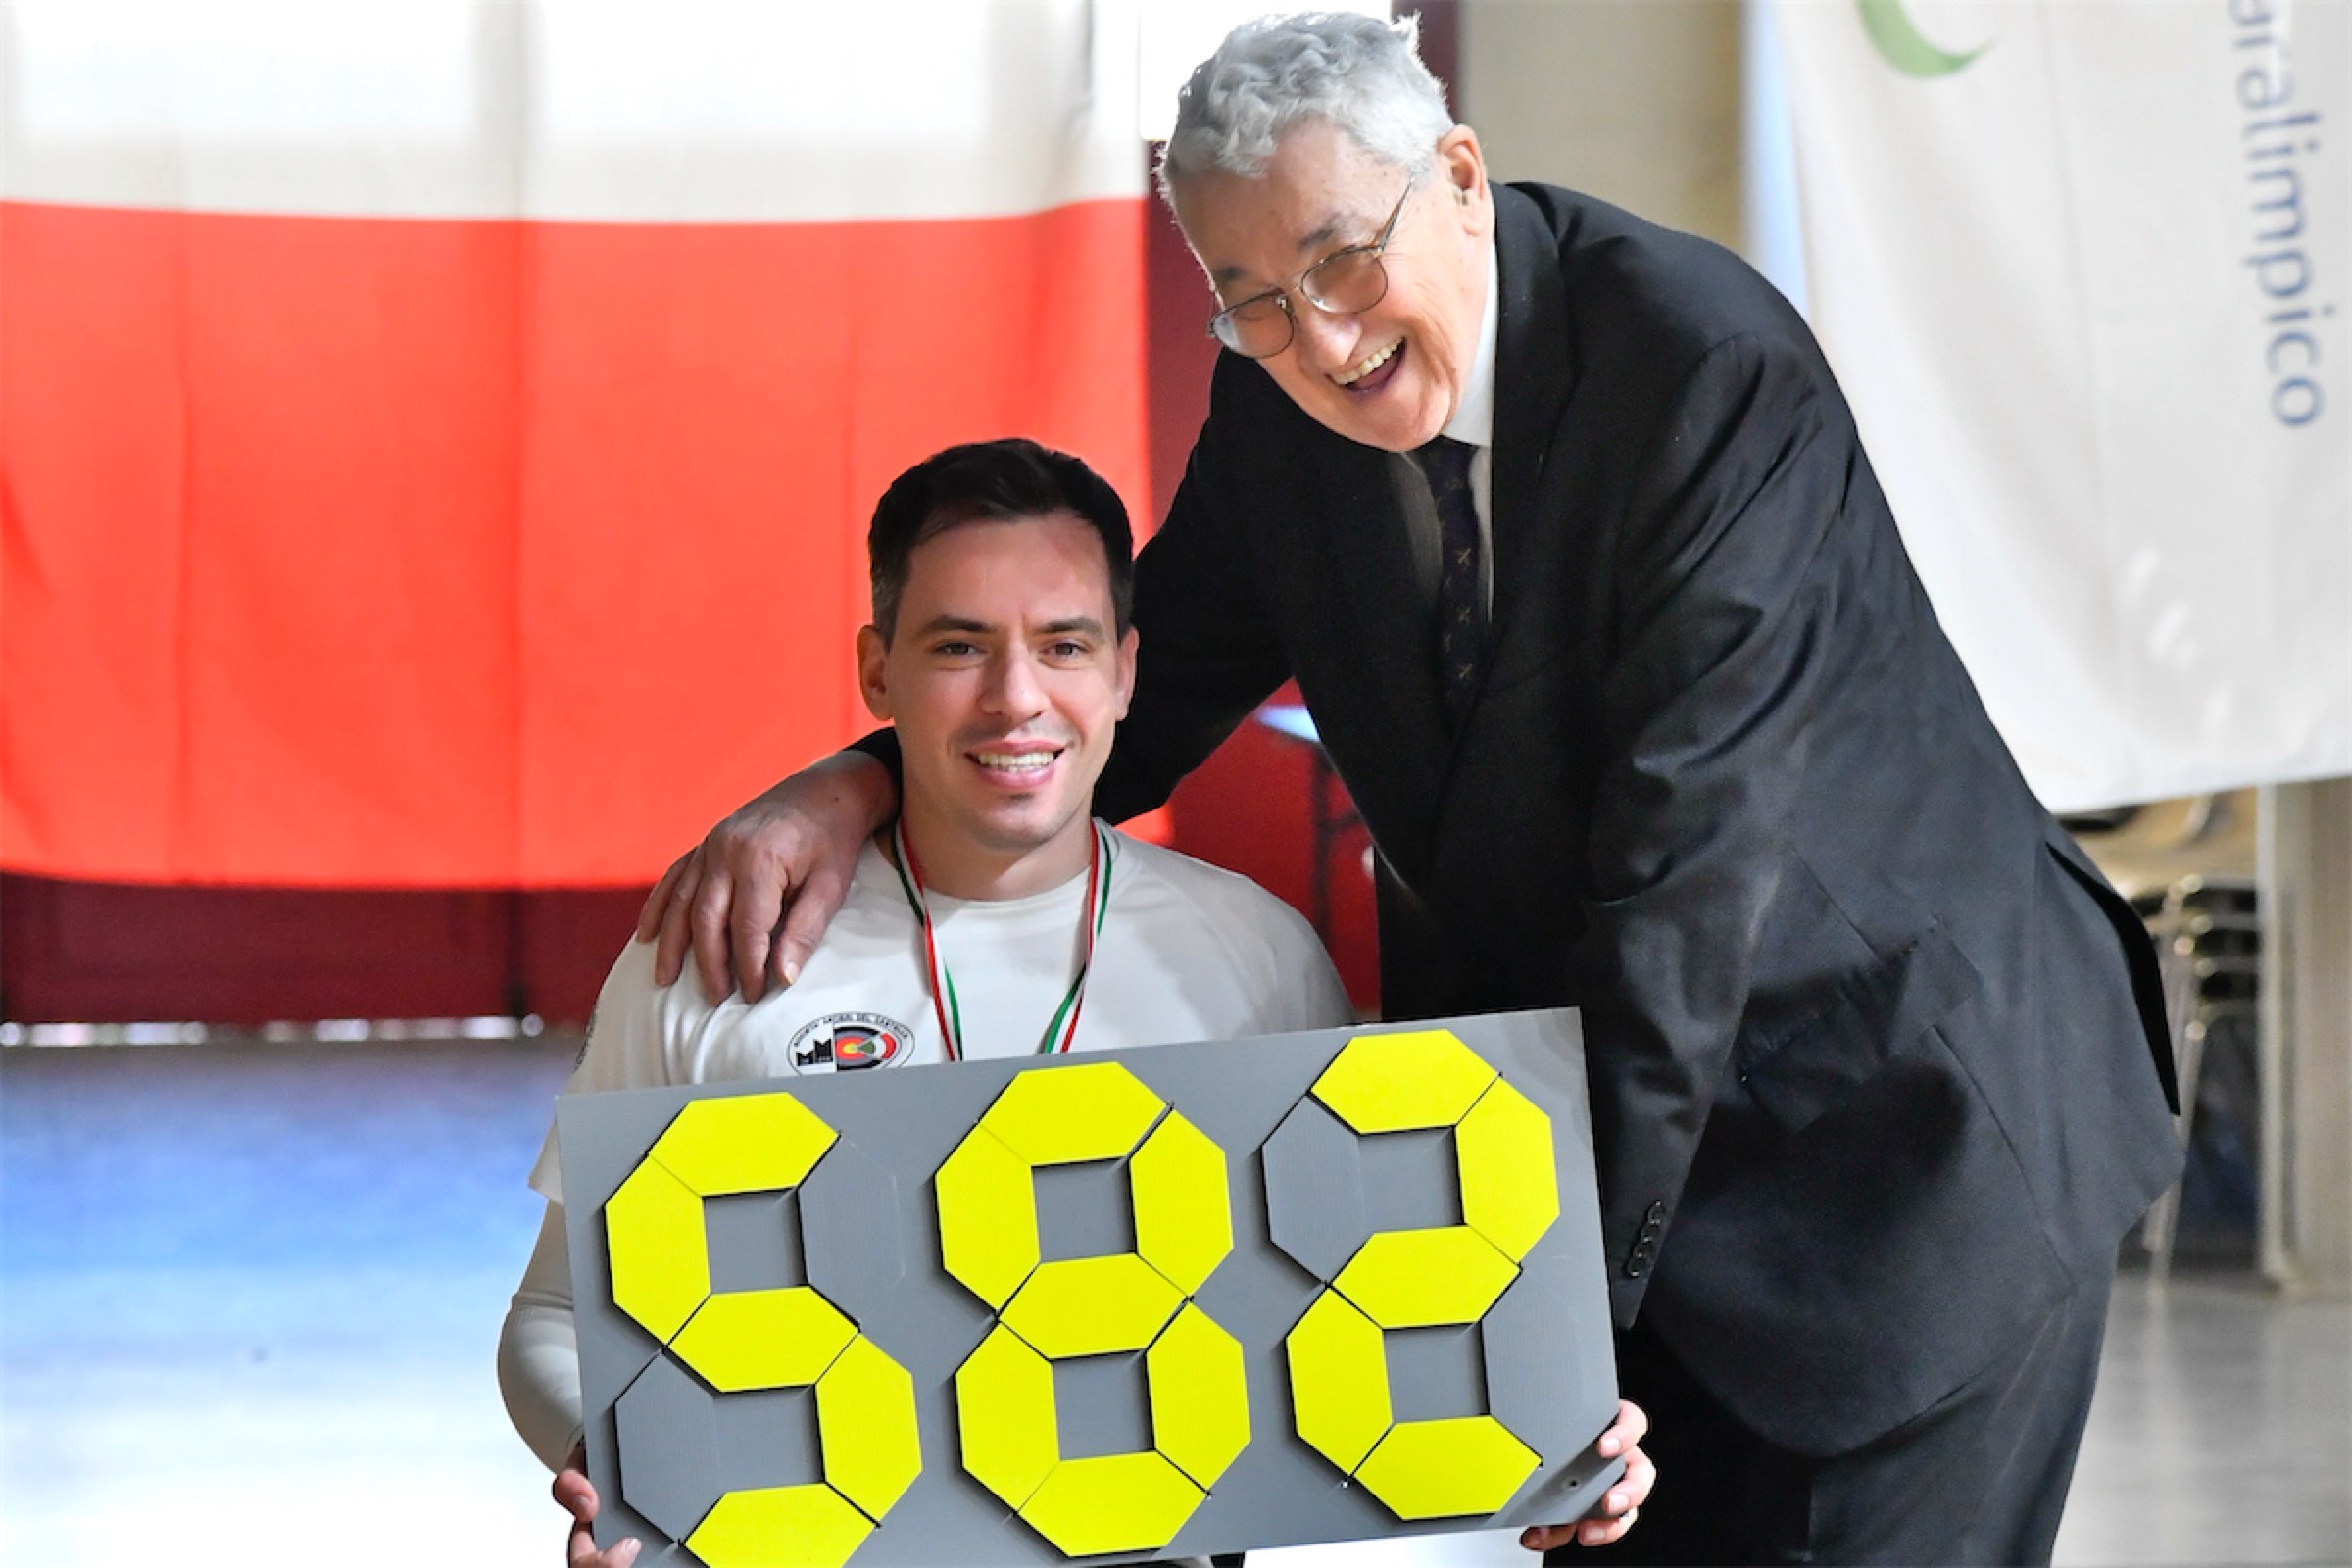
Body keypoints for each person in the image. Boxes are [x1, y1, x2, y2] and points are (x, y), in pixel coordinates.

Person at [639, 15, 2186, 1567]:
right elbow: (1141, 684)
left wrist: (1534, 1323)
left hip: (1898, 1143)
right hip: (1628, 1149)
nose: (1316, 337)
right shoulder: (1282, 404)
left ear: (1457, 175)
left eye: (1340, 263)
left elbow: (1682, 892)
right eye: (1245, 299)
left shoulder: (1699, 372)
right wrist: (851, 791)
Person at [502, 437, 1657, 1566]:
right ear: (875, 670)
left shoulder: (1255, 956)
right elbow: (551, 1317)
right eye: (959, 645)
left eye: (1064, 644)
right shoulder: (724, 950)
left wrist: (1563, 1441)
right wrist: (634, 1484)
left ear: (1126, 671)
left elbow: (1392, 1300)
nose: (1016, 698)